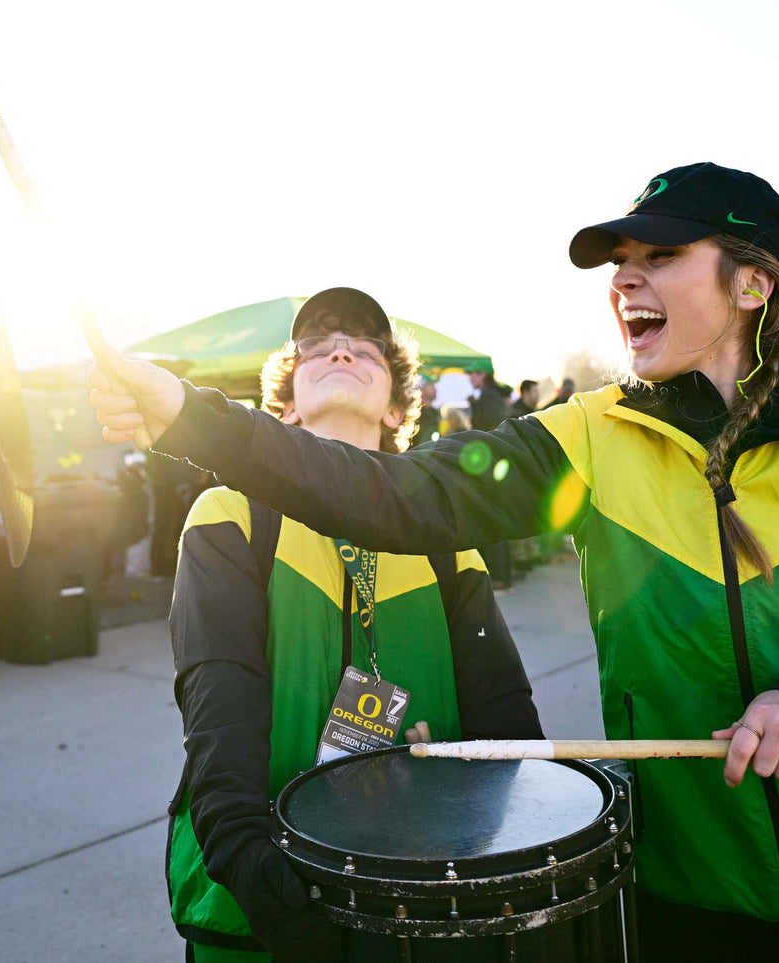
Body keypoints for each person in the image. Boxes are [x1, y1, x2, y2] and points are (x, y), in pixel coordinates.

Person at [90, 163, 779, 960]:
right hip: (690, 902)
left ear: (752, 281)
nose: (624, 277)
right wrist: (185, 410)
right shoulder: (589, 435)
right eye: (618, 259)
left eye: (660, 254)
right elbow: (398, 495)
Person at [166, 288, 541, 962]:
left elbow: (504, 714)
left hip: (427, 896)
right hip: (263, 900)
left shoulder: (448, 542)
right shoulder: (231, 513)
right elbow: (217, 706)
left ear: (398, 407)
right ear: (284, 405)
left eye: (366, 348)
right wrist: (247, 859)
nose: (340, 348)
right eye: (316, 345)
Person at [464, 359, 508, 430]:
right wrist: (474, 404)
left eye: (471, 373)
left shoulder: (489, 395)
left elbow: (487, 425)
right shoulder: (494, 393)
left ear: (482, 375)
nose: (470, 378)